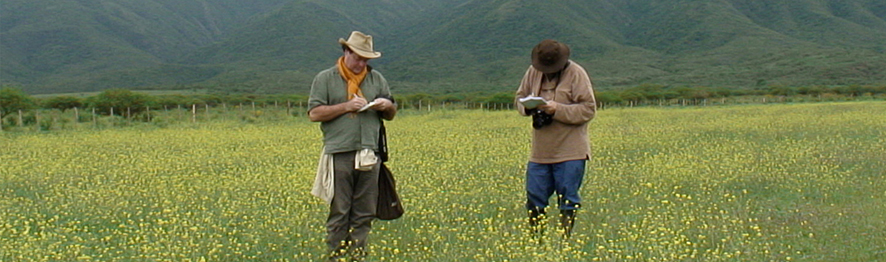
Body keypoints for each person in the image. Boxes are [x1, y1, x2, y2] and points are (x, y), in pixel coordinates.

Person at [308, 30, 397, 261]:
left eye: (366, 59)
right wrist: (346, 107)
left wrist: (385, 104)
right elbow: (315, 113)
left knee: (364, 212)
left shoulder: (377, 79)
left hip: (370, 152)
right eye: (357, 57)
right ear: (346, 51)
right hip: (340, 152)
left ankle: (358, 255)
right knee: (340, 211)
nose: (361, 63)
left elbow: (392, 113)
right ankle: (335, 256)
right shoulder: (325, 78)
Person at [514, 39, 597, 240]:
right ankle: (537, 240)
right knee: (534, 197)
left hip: (571, 151)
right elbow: (519, 97)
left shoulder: (577, 73)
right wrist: (528, 106)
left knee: (568, 198)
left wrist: (556, 109)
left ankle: (565, 240)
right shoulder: (533, 72)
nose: (547, 70)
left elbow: (588, 109)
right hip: (540, 152)